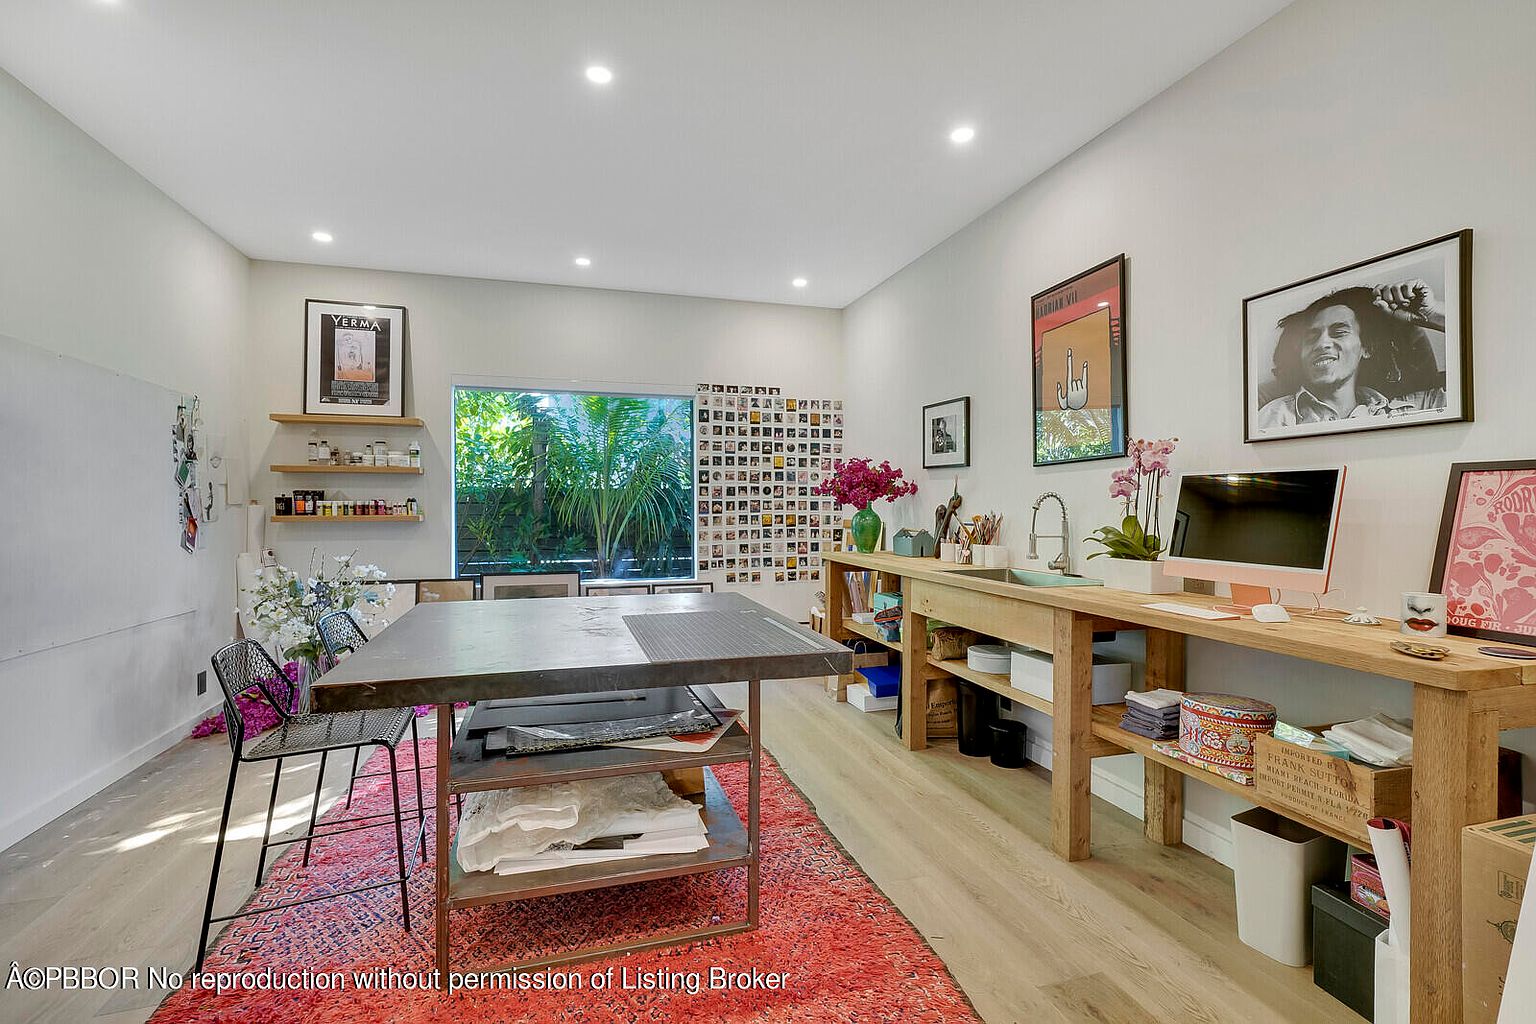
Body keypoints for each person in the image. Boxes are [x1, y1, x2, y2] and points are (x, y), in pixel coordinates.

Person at [1255, 282, 1446, 429]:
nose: (1322, 343)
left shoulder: (1409, 408)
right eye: (1312, 337)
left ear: (1367, 348)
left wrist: (1432, 313)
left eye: (1339, 332)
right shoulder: (1274, 416)